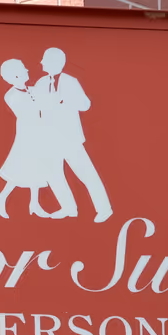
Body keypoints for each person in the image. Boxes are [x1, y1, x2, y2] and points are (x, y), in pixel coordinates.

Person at [32, 47, 111, 223]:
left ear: (56, 63)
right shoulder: (40, 83)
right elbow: (35, 107)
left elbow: (85, 105)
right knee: (54, 175)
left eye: (45, 60)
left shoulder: (70, 82)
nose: (41, 63)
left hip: (69, 138)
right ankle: (68, 208)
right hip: (49, 139)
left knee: (86, 174)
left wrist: (66, 100)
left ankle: (104, 209)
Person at [0, 59, 59, 219]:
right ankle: (3, 197)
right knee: (23, 166)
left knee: (36, 166)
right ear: (15, 75)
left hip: (38, 132)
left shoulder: (32, 89)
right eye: (24, 70)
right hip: (27, 133)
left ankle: (34, 203)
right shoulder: (11, 95)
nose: (28, 71)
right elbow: (28, 112)